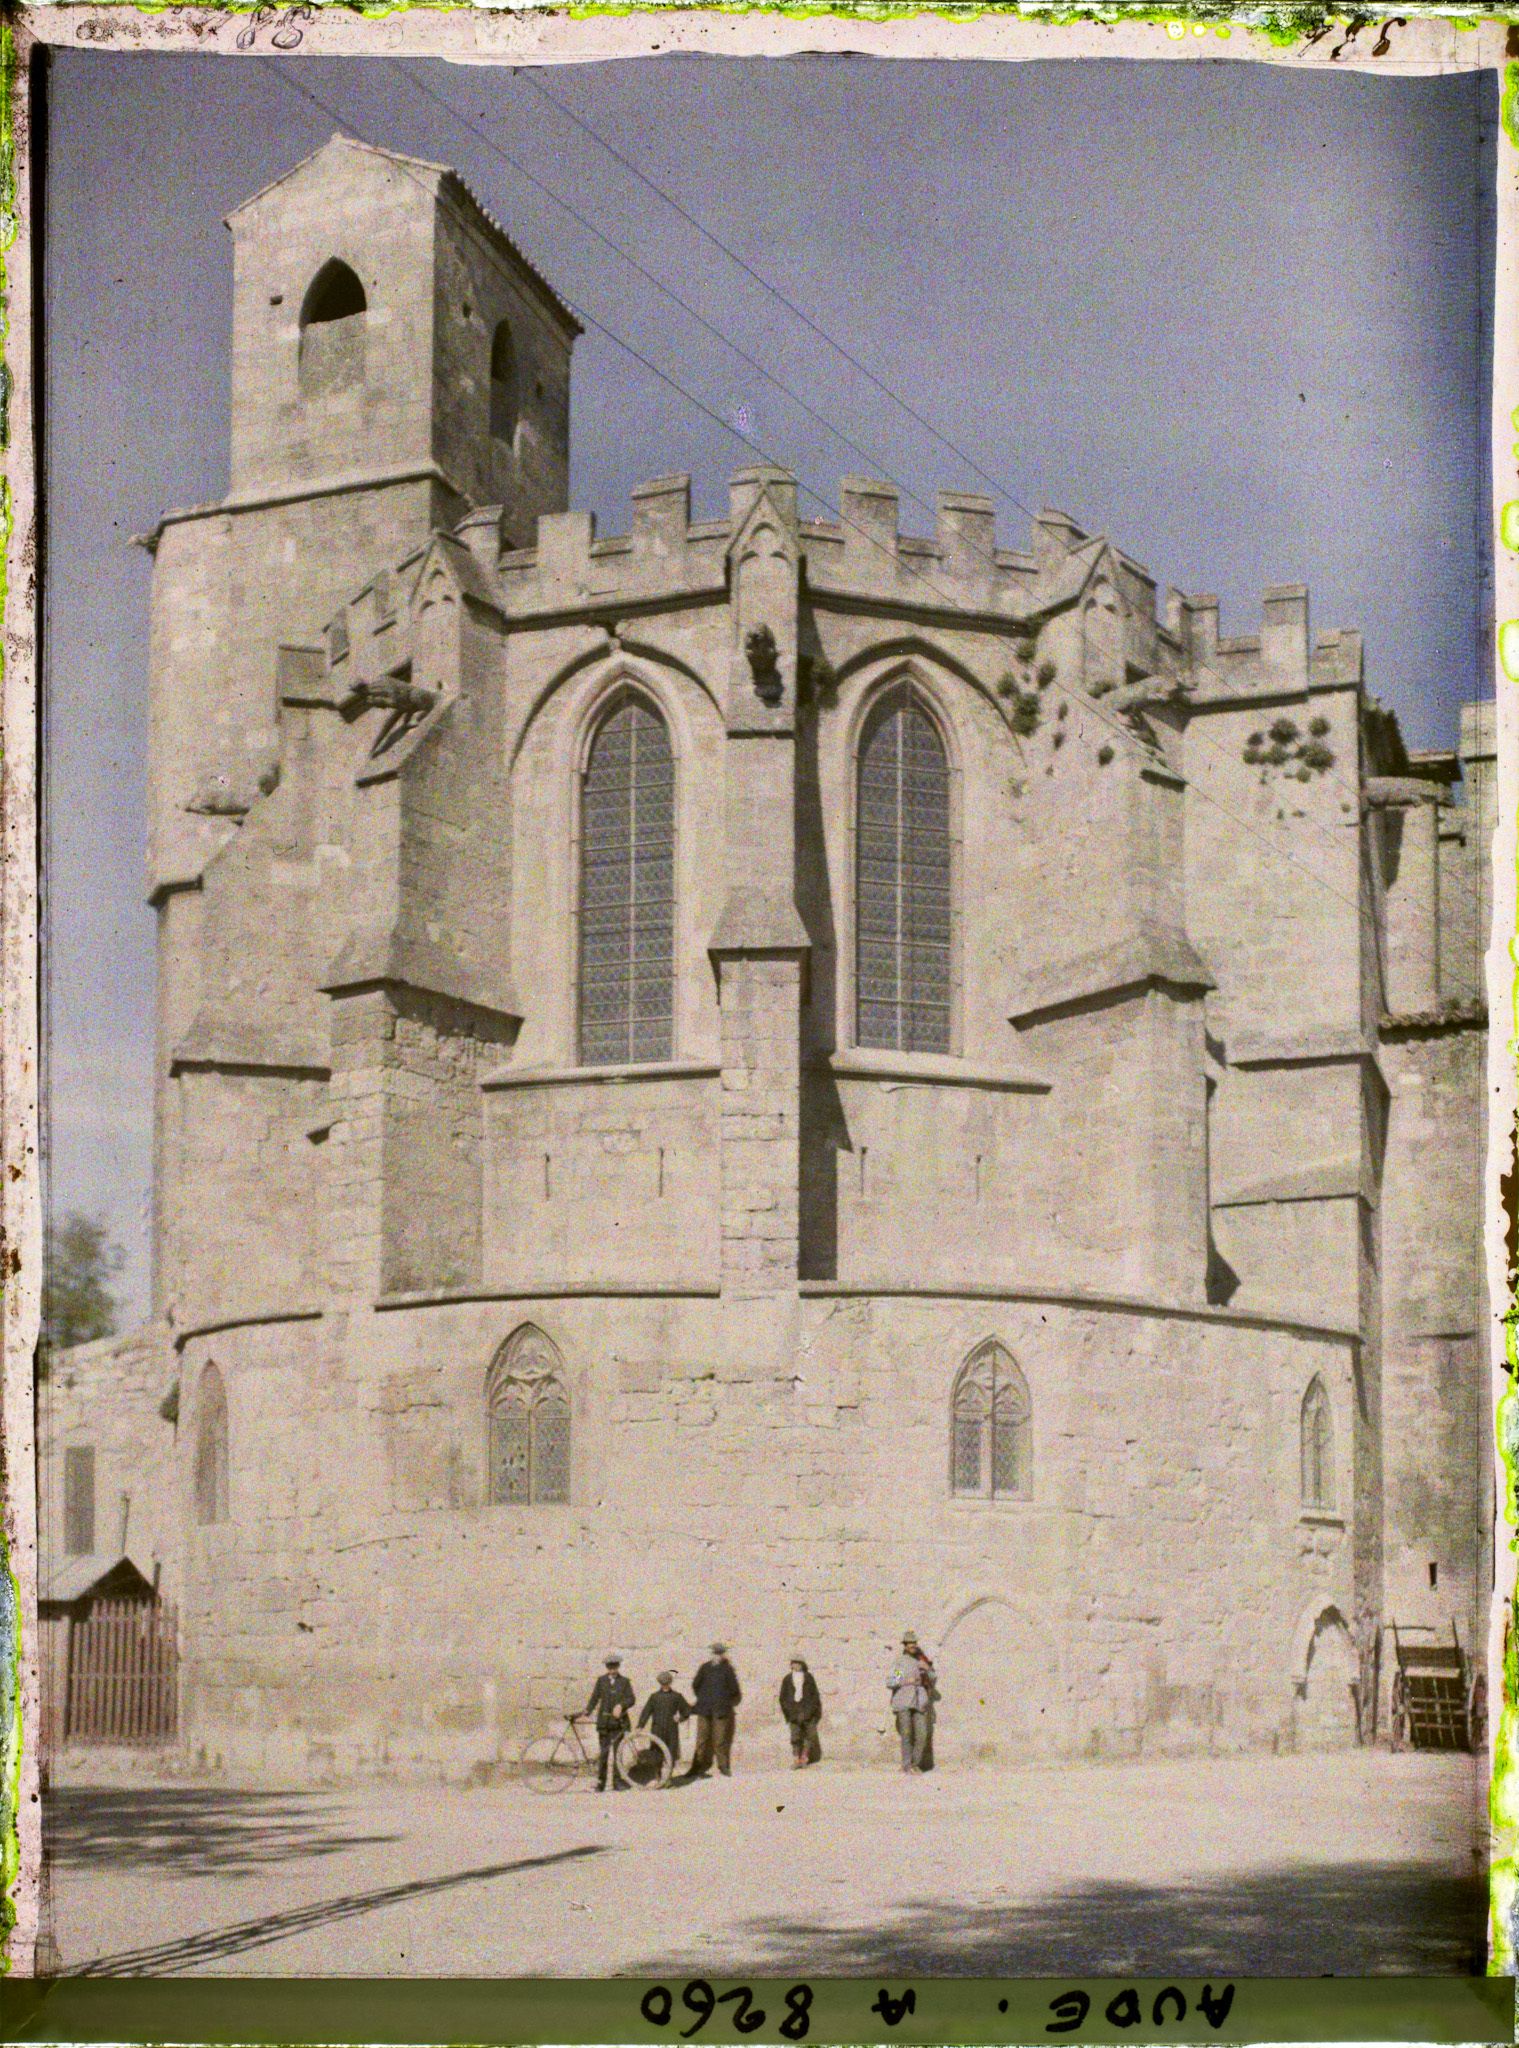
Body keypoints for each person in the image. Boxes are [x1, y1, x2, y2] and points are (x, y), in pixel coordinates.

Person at [687, 1641, 743, 1778]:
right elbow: (695, 1685)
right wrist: (703, 1698)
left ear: (723, 1655)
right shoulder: (704, 1668)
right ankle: (696, 1767)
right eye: (715, 1653)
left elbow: (734, 1690)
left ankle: (723, 1766)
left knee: (720, 1740)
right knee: (701, 1739)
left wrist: (724, 1701)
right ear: (711, 1654)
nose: (717, 1656)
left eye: (719, 1654)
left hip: (721, 1710)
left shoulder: (728, 1670)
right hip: (704, 1709)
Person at [584, 1652, 636, 1791]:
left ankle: (617, 1782)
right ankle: (601, 1783)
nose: (612, 1670)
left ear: (618, 1667)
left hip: (619, 1723)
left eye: (615, 1667)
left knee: (618, 1753)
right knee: (604, 1753)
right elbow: (595, 1698)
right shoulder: (601, 1681)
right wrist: (588, 1710)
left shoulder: (624, 1682)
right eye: (610, 1667)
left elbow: (631, 1699)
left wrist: (621, 1705)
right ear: (607, 1668)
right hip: (604, 1723)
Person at [887, 1631, 937, 1774]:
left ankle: (915, 1764)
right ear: (905, 1645)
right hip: (904, 1701)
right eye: (910, 1643)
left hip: (920, 1702)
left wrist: (927, 1669)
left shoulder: (921, 1661)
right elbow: (892, 1682)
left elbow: (933, 1679)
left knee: (922, 1734)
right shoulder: (901, 1662)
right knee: (906, 1734)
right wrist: (906, 1681)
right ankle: (906, 1766)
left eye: (915, 1643)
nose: (913, 1646)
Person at [638, 1670, 693, 1775]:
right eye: (663, 1684)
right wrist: (640, 1725)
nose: (665, 1686)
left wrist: (680, 1718)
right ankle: (658, 1776)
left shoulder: (677, 1696)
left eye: (667, 1684)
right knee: (656, 1754)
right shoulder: (654, 1697)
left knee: (671, 1754)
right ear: (660, 1684)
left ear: (670, 1683)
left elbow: (687, 1710)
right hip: (657, 1730)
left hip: (671, 1730)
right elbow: (646, 1711)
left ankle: (668, 1779)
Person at [778, 1658, 822, 1768]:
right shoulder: (787, 1679)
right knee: (795, 1736)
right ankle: (796, 1759)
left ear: (802, 1665)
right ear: (791, 1665)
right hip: (793, 1712)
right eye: (794, 1663)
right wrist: (788, 1711)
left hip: (807, 1711)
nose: (796, 1666)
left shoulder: (808, 1678)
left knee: (810, 1735)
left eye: (799, 1663)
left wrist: (811, 1711)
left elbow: (814, 1695)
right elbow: (783, 1697)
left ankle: (804, 1758)